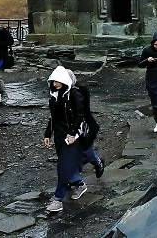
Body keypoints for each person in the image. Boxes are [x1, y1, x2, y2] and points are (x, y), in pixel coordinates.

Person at [42, 65, 99, 212]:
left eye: (58, 81)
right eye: (53, 81)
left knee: (64, 166)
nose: (55, 84)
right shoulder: (54, 97)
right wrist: (48, 134)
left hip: (74, 135)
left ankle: (58, 199)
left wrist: (73, 133)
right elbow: (53, 117)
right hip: (60, 136)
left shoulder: (75, 94)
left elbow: (80, 115)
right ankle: (79, 183)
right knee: (73, 160)